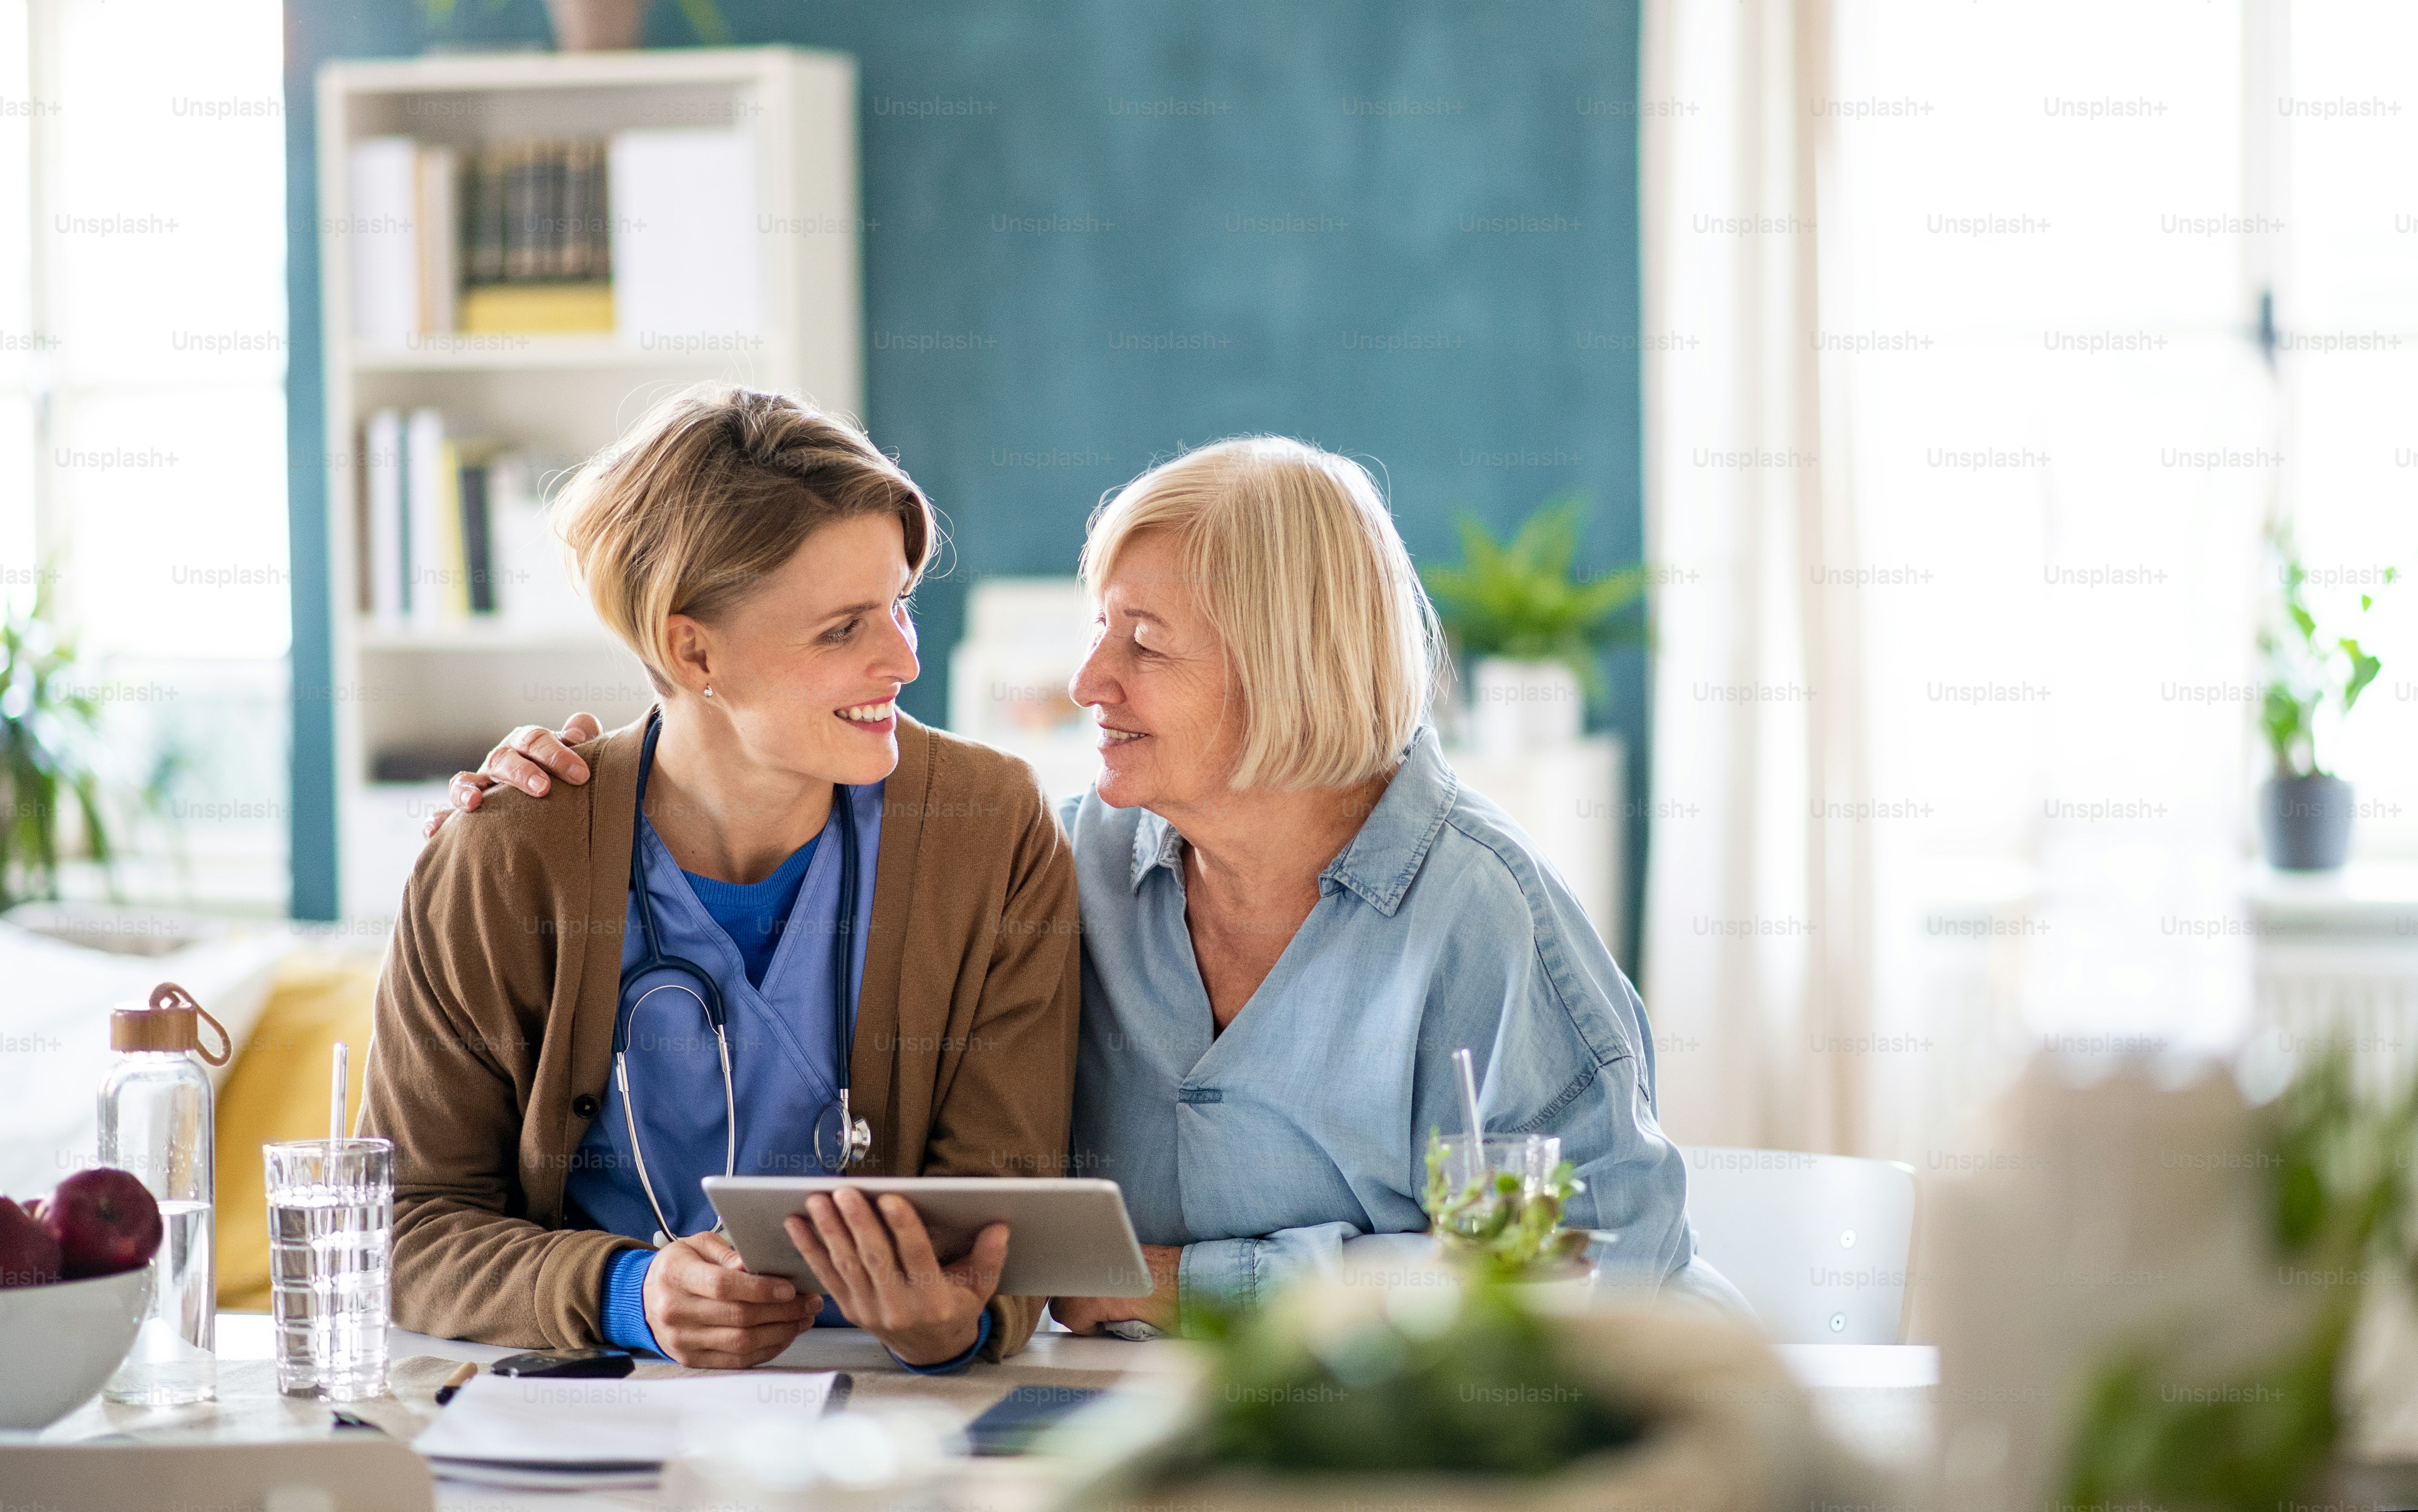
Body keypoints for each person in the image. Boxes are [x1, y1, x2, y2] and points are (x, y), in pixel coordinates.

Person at [435, 436, 1736, 1334]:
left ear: (1283, 667)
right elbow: (726, 751)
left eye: (1145, 642)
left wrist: (1203, 1286)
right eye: (1097, 626)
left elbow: (1593, 1276)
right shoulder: (1076, 863)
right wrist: (570, 783)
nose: (1089, 681)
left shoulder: (1486, 926)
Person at [364, 385, 1080, 1372]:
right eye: (843, 629)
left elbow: (1010, 1215)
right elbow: (403, 1225)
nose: (904, 660)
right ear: (691, 646)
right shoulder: (506, 854)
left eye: (901, 606)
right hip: (593, 1409)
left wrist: (954, 1320)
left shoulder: (990, 829)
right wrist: (626, 1294)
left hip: (894, 1413)